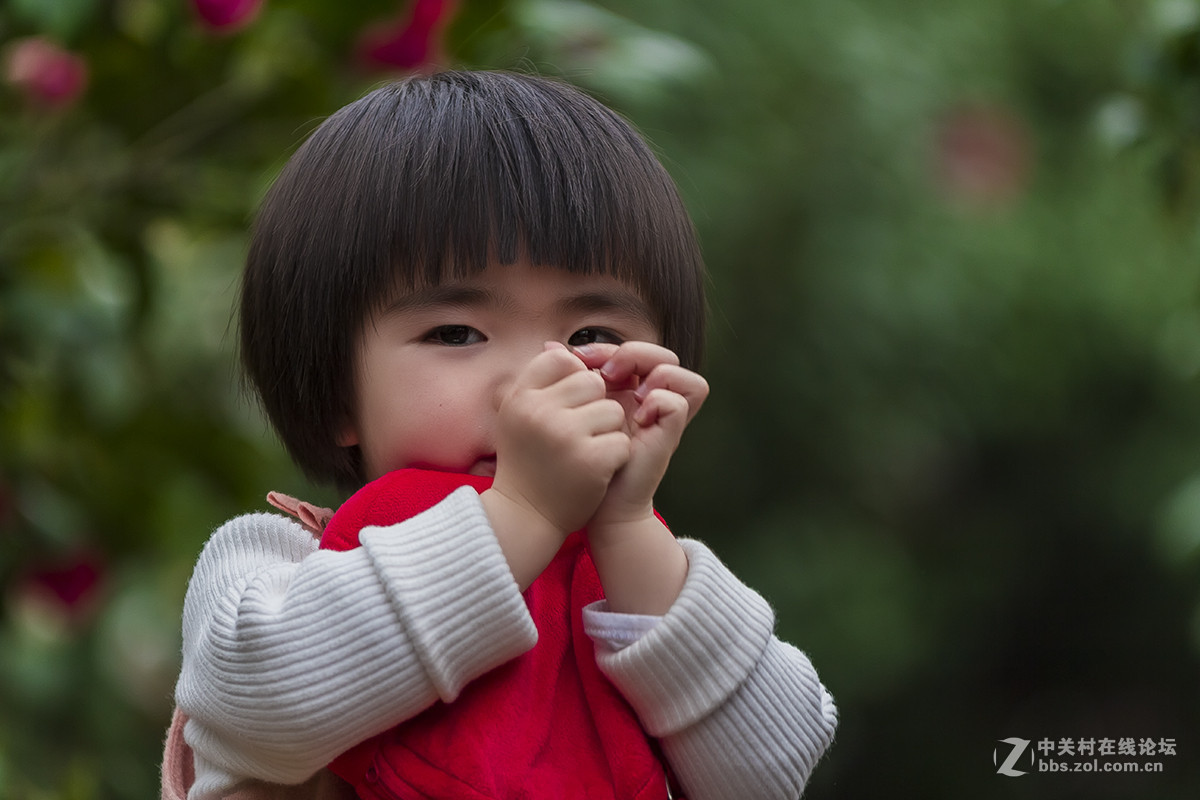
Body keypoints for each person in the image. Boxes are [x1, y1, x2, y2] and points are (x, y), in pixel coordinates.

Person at [163, 70, 838, 800]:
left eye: (593, 334)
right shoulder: (273, 570)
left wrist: (629, 532)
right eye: (457, 333)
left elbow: (771, 772)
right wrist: (522, 513)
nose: (535, 382)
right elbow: (264, 702)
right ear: (335, 393)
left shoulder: (641, 588)